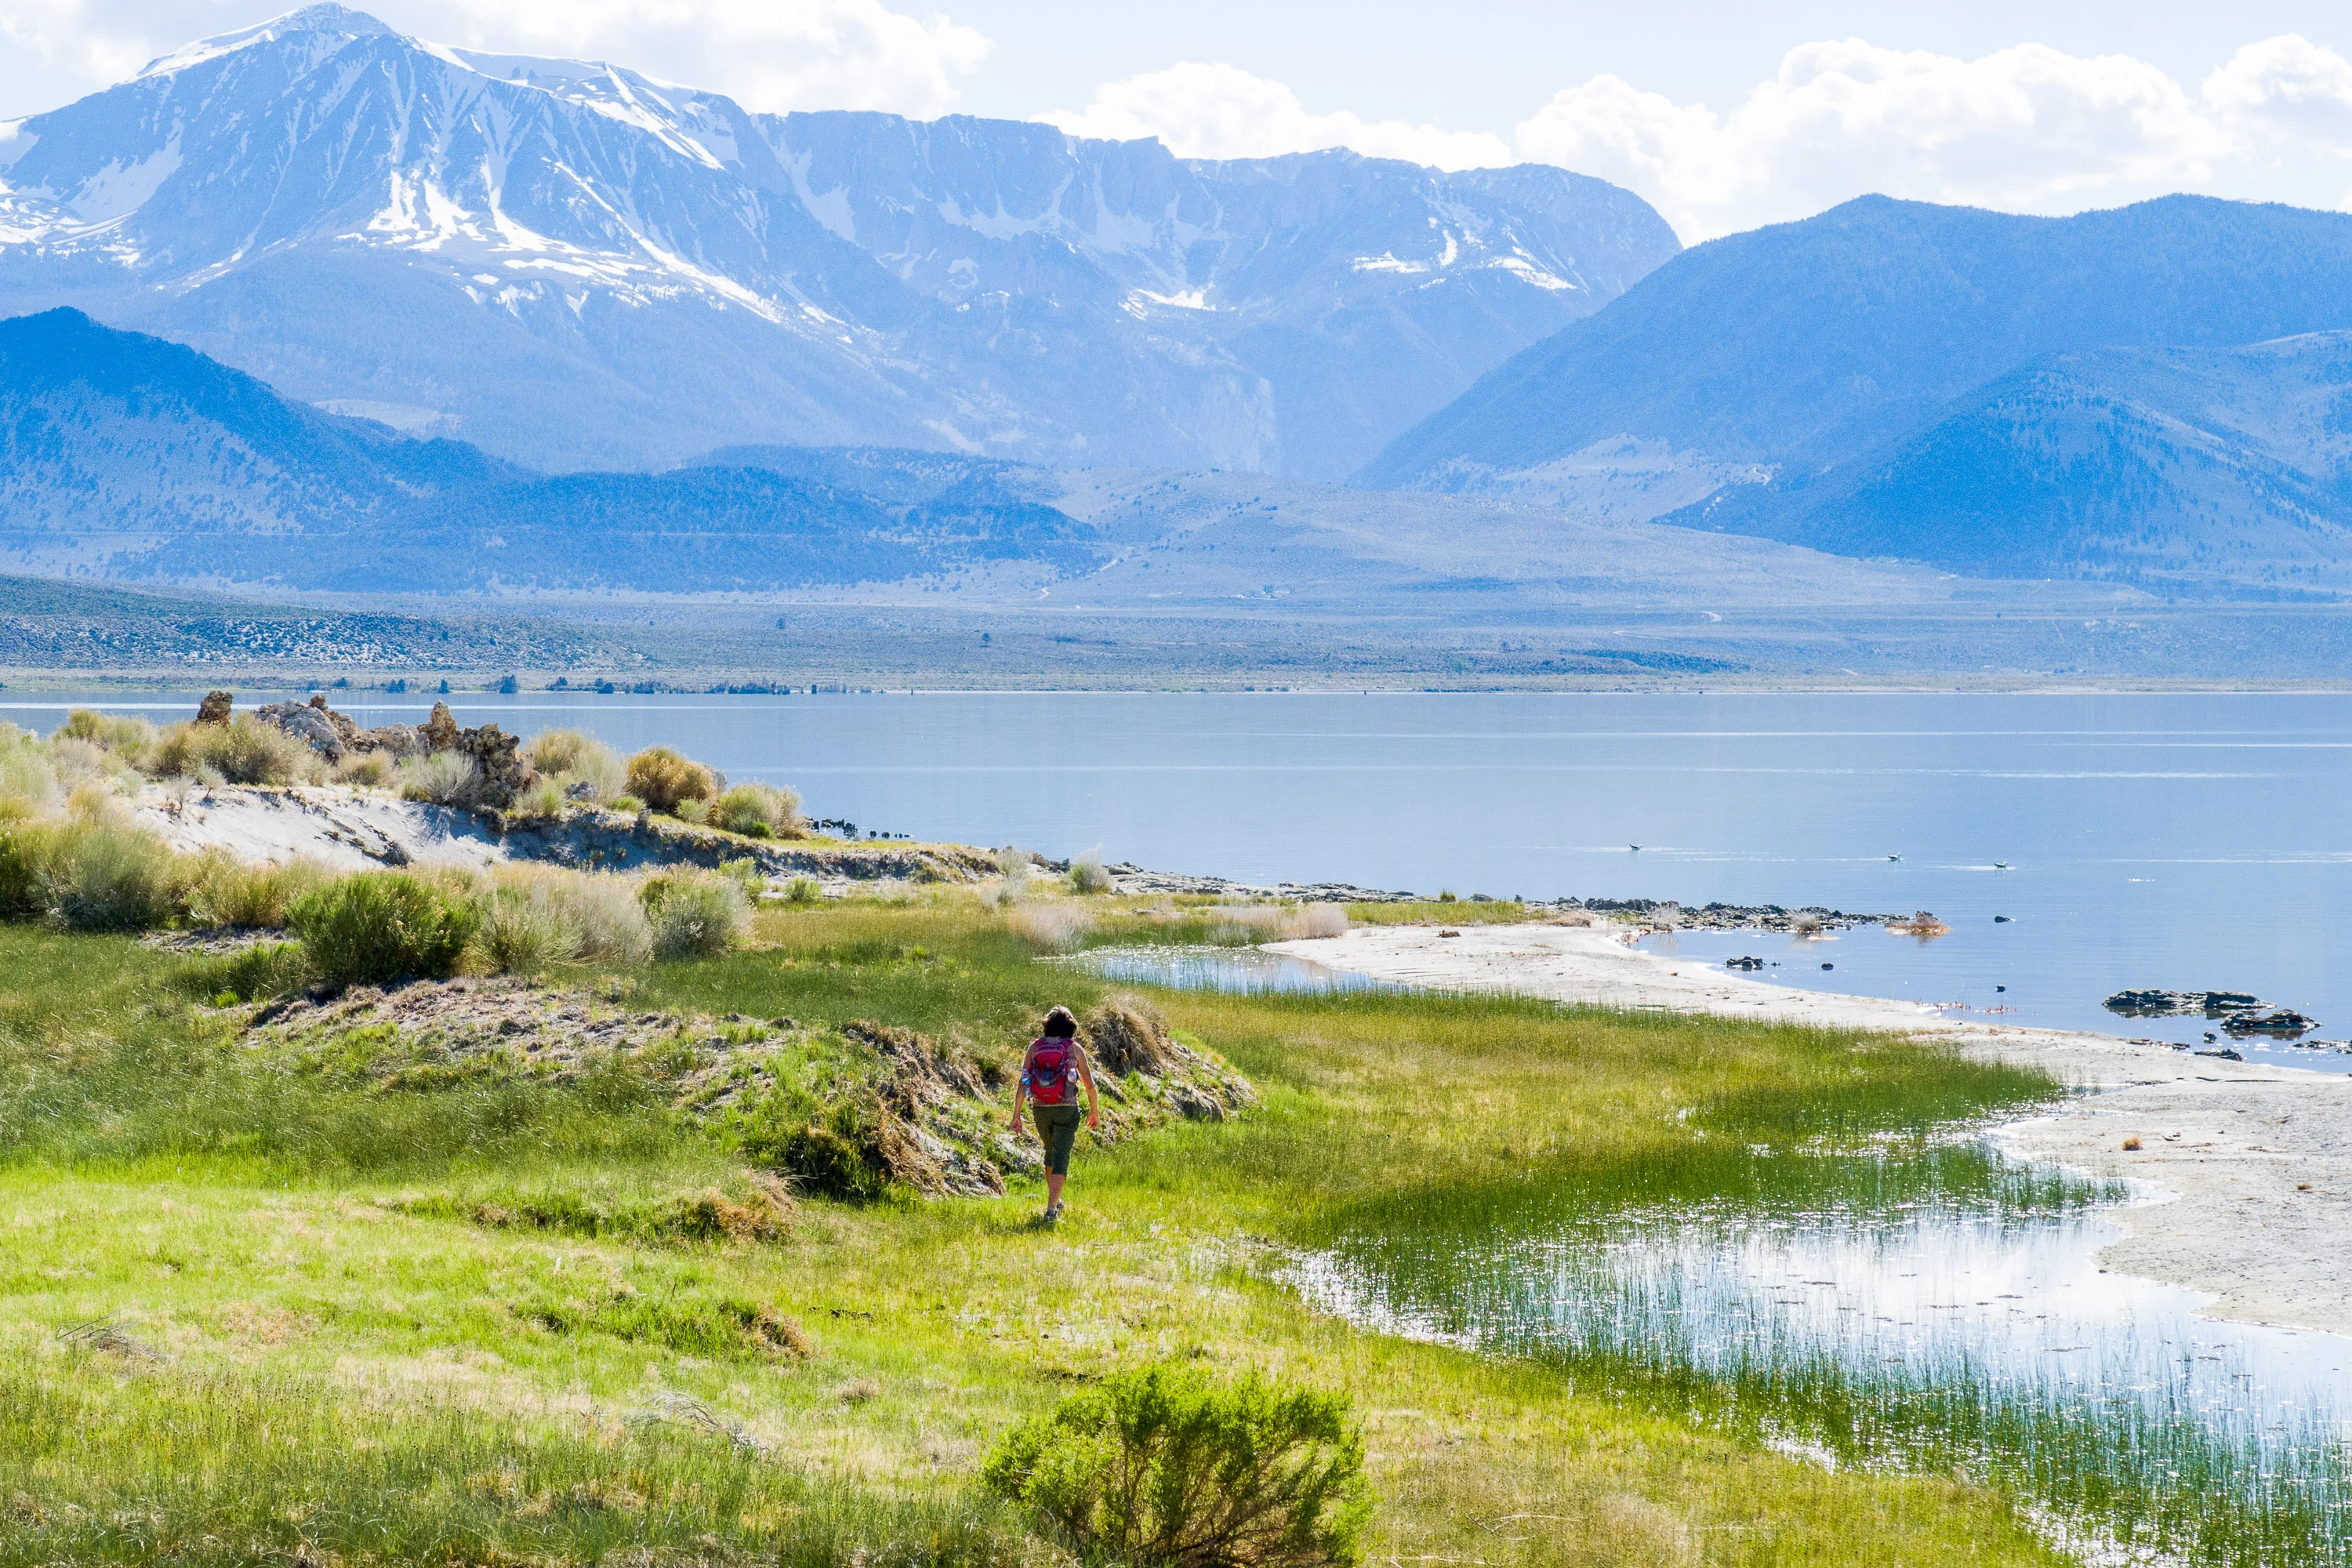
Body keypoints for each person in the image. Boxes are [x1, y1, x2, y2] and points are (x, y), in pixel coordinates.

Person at [1011, 1006, 1100, 1223]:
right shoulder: (1074, 1049)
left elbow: (1023, 1082)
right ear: (1070, 1026)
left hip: (1040, 1109)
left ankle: (1056, 1201)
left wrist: (1017, 1115)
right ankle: (1051, 1210)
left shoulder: (1035, 1047)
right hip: (1066, 1108)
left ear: (1047, 1025)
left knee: (1049, 1153)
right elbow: (1089, 1084)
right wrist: (1094, 1111)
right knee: (1061, 1157)